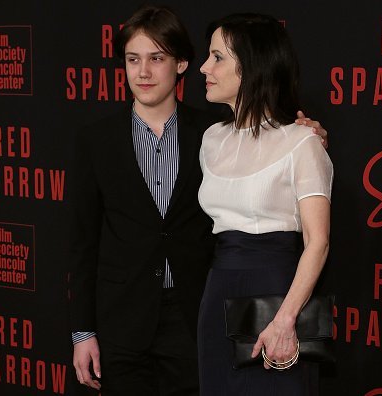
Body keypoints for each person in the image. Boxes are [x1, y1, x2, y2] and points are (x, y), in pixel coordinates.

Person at [68, 5, 328, 395]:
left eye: (156, 58)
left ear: (179, 64)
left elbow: (276, 148)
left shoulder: (211, 132)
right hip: (132, 319)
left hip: (204, 309)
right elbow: (82, 243)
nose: (143, 72)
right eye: (133, 59)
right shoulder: (104, 141)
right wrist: (82, 331)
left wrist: (311, 134)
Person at [197, 13, 333, 395]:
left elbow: (318, 242)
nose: (205, 67)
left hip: (277, 295)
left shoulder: (301, 143)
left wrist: (285, 319)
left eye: (218, 57)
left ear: (251, 67)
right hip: (218, 292)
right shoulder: (211, 139)